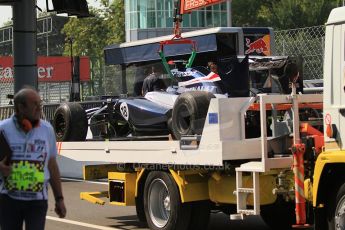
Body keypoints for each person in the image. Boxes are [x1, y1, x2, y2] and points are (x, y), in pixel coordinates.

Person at [0, 87, 66, 230]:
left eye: (40, 103)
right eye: (34, 104)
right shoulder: (3, 129)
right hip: (9, 200)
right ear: (20, 107)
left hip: (37, 201)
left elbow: (52, 165)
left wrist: (59, 199)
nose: (39, 107)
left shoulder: (47, 129)